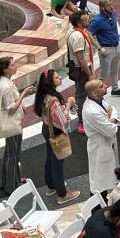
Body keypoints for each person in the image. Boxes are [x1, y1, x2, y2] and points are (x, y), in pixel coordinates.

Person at [33, 68, 80, 204]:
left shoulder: (43, 95)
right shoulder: (53, 100)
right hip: (55, 130)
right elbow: (63, 120)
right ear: (50, 81)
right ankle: (62, 194)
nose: (60, 78)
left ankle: (51, 186)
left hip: (46, 128)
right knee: (58, 161)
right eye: (57, 77)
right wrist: (69, 105)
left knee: (50, 158)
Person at [0, 57, 33, 194]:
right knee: (13, 154)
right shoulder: (5, 87)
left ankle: (9, 180)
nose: (15, 66)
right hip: (12, 123)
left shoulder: (6, 82)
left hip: (12, 122)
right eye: (13, 65)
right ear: (5, 69)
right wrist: (24, 95)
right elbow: (11, 109)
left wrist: (20, 101)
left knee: (9, 152)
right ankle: (12, 185)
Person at [82, 79, 119, 195]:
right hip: (99, 146)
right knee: (99, 181)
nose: (106, 86)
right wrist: (111, 118)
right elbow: (111, 130)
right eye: (102, 86)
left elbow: (114, 110)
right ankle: (97, 210)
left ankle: (102, 206)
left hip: (105, 143)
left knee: (105, 178)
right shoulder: (92, 111)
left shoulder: (99, 101)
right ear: (94, 93)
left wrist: (110, 118)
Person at [88, 0, 120, 96]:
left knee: (115, 70)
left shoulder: (113, 13)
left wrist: (118, 37)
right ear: (102, 7)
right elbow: (89, 34)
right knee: (103, 74)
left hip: (117, 46)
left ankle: (115, 89)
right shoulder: (97, 20)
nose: (111, 7)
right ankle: (97, 93)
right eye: (109, 5)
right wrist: (99, 48)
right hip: (107, 49)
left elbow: (113, 27)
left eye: (111, 4)